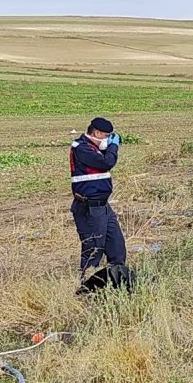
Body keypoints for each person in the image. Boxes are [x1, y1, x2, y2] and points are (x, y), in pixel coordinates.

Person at [70, 117, 127, 283]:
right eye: (106, 136)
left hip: (103, 206)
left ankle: (117, 281)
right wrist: (114, 146)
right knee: (94, 249)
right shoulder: (81, 148)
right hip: (89, 207)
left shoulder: (94, 148)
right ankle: (86, 287)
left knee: (116, 245)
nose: (107, 140)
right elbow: (107, 162)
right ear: (96, 133)